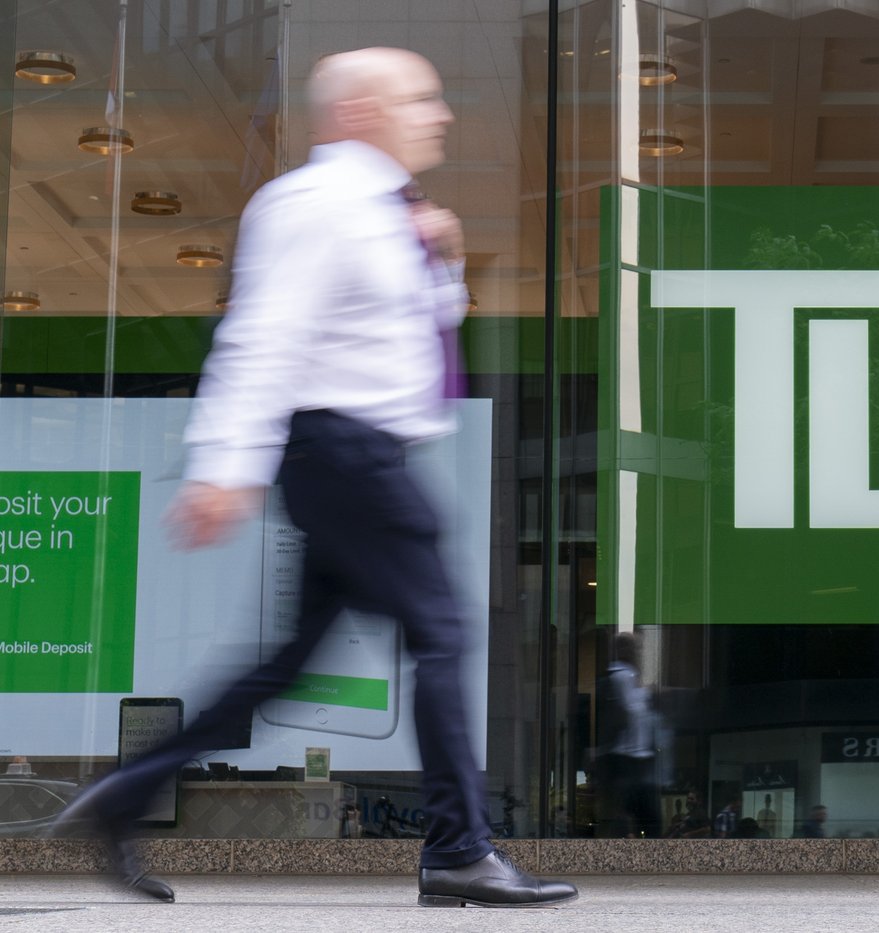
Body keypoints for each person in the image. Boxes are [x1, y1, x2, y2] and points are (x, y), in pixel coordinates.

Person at [53, 47, 576, 909]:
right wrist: (225, 465)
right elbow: (263, 336)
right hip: (345, 454)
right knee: (443, 635)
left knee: (289, 664)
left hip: (359, 457)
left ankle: (123, 794)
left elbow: (407, 341)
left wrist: (439, 261)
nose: (439, 114)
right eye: (421, 98)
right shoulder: (312, 204)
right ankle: (458, 849)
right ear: (363, 112)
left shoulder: (385, 213)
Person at [593, 633, 661, 837]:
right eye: (635, 649)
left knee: (642, 816)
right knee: (641, 816)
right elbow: (625, 714)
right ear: (624, 651)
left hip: (637, 759)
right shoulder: (620, 677)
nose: (638, 653)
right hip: (625, 759)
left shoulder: (631, 677)